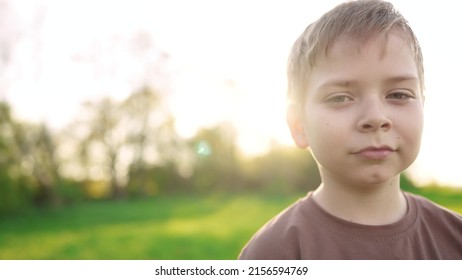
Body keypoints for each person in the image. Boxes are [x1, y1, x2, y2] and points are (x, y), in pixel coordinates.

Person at [239, 0, 462, 259]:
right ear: (299, 125)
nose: (376, 118)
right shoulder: (273, 254)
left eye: (399, 94)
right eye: (340, 98)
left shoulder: (454, 239)